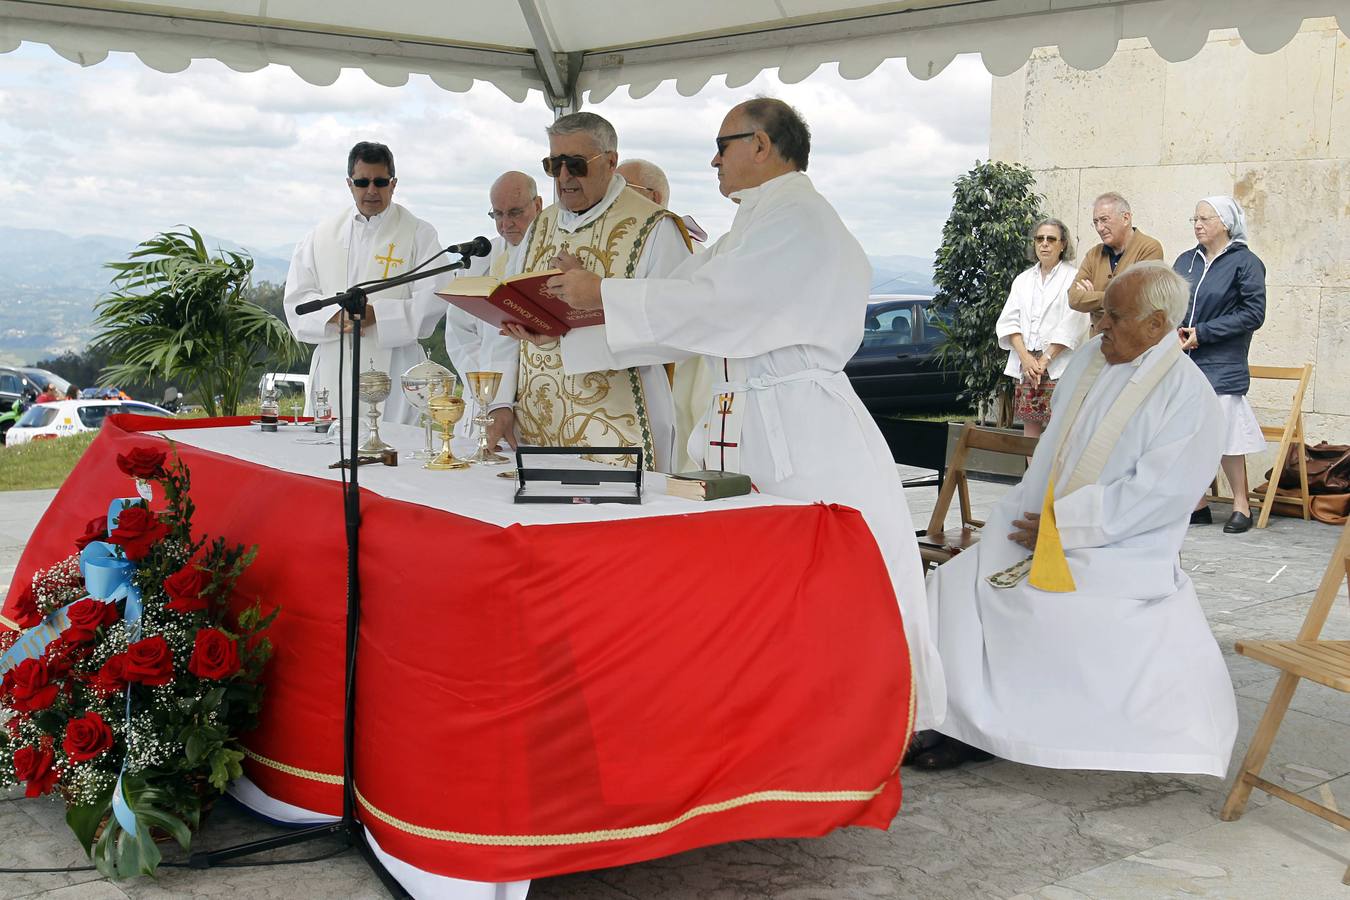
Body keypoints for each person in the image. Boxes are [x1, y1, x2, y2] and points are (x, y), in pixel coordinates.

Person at [518, 97, 946, 731]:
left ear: (763, 146)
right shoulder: (755, 222)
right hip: (751, 420)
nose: (713, 159)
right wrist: (572, 328)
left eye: (723, 145)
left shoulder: (797, 218)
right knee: (759, 592)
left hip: (799, 430)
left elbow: (719, 304)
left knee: (815, 588)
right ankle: (770, 722)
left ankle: (855, 722)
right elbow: (689, 311)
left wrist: (602, 293)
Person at [915, 262, 1237, 774]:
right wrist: (1025, 515)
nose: (1100, 325)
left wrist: (1065, 526)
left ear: (1157, 325)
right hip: (1033, 528)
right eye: (1102, 313)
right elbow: (1051, 453)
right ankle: (955, 717)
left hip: (1114, 548)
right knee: (950, 589)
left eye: (1115, 316)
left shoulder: (1188, 397)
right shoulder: (1090, 359)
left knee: (1026, 607)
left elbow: (1158, 494)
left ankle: (988, 730)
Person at [500, 112, 694, 471]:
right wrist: (499, 402)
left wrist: (595, 302)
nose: (563, 177)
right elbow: (506, 316)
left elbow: (678, 331)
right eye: (553, 164)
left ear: (610, 162)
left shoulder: (654, 228)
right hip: (537, 423)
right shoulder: (539, 226)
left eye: (575, 164)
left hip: (624, 428)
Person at [284, 141, 443, 426]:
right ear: (349, 184)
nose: (371, 190)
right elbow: (298, 299)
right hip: (335, 359)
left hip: (395, 363)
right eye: (362, 181)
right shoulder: (320, 235)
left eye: (380, 181)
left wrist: (377, 316)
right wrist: (335, 315)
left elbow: (434, 297)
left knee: (392, 452)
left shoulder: (419, 234)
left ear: (393, 184)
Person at [1174, 196, 1267, 534]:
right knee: (1185, 433)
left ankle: (1241, 505)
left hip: (1222, 362)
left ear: (1225, 224)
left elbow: (1253, 314)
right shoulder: (1186, 261)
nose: (1197, 224)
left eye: (1205, 219)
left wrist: (1204, 333)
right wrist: (1172, 329)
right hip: (1184, 362)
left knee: (1226, 435)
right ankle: (1197, 504)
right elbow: (1171, 302)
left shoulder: (1246, 263)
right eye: (1194, 219)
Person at [443, 171, 542, 446]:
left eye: (515, 212)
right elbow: (459, 333)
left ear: (539, 205)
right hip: (484, 397)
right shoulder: (480, 261)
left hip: (536, 399)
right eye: (497, 214)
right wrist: (487, 386)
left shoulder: (550, 257)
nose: (505, 224)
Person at [995, 218, 1088, 439]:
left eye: (1051, 239)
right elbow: (1009, 321)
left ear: (1063, 244)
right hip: (1028, 364)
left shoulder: (1073, 277)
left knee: (1061, 428)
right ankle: (1034, 474)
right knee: (1030, 427)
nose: (1044, 244)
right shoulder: (1022, 280)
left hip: (1059, 363)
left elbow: (1074, 322)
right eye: (1040, 239)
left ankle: (1055, 475)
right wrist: (1026, 359)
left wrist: (1044, 361)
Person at [1067, 192, 1164, 330]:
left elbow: (1136, 301)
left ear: (1126, 218)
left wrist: (1092, 300)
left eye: (1104, 219)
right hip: (1099, 344)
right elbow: (1074, 298)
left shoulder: (1149, 248)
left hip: (1134, 345)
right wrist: (1113, 299)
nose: (1099, 228)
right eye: (1096, 222)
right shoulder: (1093, 254)